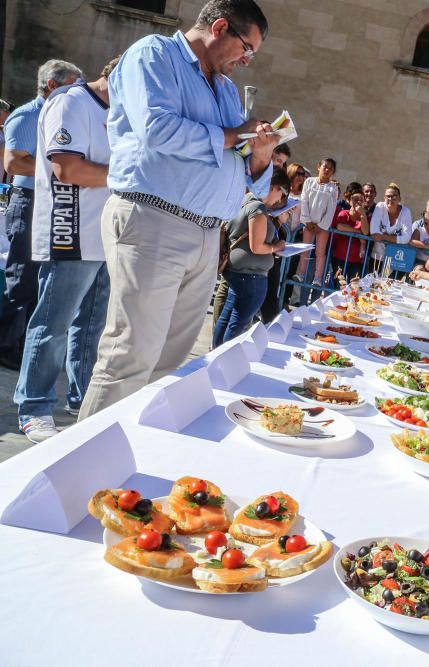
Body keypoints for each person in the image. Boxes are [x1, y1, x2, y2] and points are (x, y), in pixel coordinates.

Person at [78, 0, 278, 420]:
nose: (247, 60)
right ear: (220, 27)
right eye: (247, 48)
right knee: (130, 357)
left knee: (172, 365)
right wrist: (233, 133)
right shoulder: (154, 54)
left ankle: (138, 458)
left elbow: (235, 164)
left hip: (205, 234)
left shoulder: (223, 88)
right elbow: (157, 129)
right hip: (154, 220)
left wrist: (258, 155)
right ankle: (87, 477)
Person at [14, 59, 115, 443]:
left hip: (105, 231)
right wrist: (126, 171)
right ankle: (35, 406)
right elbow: (67, 170)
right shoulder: (71, 102)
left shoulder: (117, 111)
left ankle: (81, 398)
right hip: (70, 230)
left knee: (92, 325)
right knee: (52, 323)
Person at [0, 59, 83, 371]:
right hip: (29, 199)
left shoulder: (66, 115)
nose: (78, 92)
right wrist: (57, 166)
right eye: (73, 85)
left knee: (42, 279)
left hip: (54, 200)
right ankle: (6, 344)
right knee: (22, 277)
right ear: (52, 84)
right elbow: (13, 164)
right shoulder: (26, 115)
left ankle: (23, 345)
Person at [213, 170, 288, 346]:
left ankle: (216, 355)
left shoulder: (245, 199)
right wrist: (278, 246)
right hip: (250, 275)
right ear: (275, 187)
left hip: (239, 272)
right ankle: (225, 362)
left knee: (227, 318)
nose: (280, 199)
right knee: (238, 323)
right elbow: (257, 246)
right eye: (282, 193)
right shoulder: (258, 208)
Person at [295, 157, 339, 287]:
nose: (327, 170)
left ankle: (317, 278)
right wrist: (307, 220)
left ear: (333, 172)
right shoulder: (309, 181)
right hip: (308, 224)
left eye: (330, 169)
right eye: (325, 167)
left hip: (322, 227)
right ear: (318, 167)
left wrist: (321, 225)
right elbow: (304, 201)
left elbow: (331, 209)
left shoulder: (333, 189)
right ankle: (301, 274)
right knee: (305, 249)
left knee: (320, 252)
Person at [368, 182, 412, 269]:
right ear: (384, 198)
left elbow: (406, 238)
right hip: (377, 255)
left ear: (399, 199)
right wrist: (395, 238)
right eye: (388, 196)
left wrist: (383, 237)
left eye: (394, 196)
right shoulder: (380, 206)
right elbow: (373, 232)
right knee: (374, 281)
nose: (390, 198)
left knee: (389, 282)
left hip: (395, 257)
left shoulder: (406, 211)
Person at [331, 182, 370, 279]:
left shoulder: (366, 218)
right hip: (340, 257)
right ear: (349, 201)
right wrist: (358, 232)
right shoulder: (344, 213)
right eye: (355, 199)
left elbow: (365, 232)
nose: (358, 201)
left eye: (361, 199)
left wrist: (362, 215)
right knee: (339, 286)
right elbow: (340, 226)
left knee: (354, 288)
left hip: (357, 260)